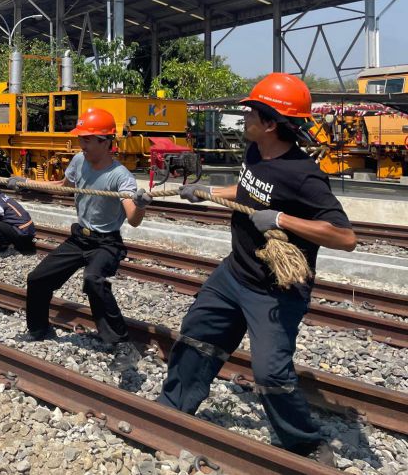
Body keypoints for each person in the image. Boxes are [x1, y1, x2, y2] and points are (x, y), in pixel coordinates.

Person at [159, 73, 355, 465]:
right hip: (234, 274)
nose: (244, 116)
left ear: (270, 123)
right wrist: (208, 192)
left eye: (250, 111)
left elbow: (344, 236)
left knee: (270, 373)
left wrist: (282, 219)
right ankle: (171, 408)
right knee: (197, 335)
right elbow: (248, 192)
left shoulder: (304, 176)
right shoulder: (255, 153)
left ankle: (305, 444)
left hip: (276, 292)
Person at [24, 108, 152, 343]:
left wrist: (141, 205)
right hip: (79, 238)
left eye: (87, 139)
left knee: (93, 280)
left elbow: (133, 220)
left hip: (106, 242)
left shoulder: (121, 176)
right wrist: (27, 183)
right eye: (80, 138)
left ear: (105, 141)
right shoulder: (79, 160)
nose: (81, 144)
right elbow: (63, 185)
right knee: (37, 279)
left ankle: (120, 343)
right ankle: (38, 329)